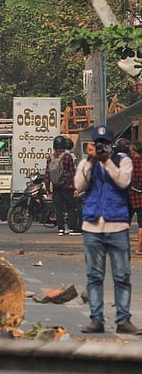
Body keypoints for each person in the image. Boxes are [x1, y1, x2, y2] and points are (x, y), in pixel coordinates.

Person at [74, 125, 139, 334]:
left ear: (111, 144)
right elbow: (80, 185)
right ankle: (96, 319)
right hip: (92, 225)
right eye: (98, 143)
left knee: (122, 275)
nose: (102, 147)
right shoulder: (86, 163)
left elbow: (123, 182)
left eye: (105, 143)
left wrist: (107, 162)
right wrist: (92, 162)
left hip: (117, 224)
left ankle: (123, 320)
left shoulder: (123, 161)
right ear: (92, 144)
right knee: (94, 276)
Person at [45, 135, 78, 236]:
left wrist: (48, 189)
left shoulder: (50, 157)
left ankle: (60, 229)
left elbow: (47, 174)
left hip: (56, 186)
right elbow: (73, 173)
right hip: (68, 186)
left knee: (58, 208)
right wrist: (75, 187)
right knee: (71, 207)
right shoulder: (67, 157)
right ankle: (71, 228)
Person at [130, 141, 142, 255]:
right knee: (141, 224)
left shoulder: (131, 163)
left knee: (124, 222)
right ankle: (139, 248)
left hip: (130, 195)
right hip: (141, 197)